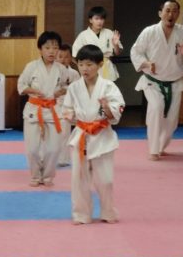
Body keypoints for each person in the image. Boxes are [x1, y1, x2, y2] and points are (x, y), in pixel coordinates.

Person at [130, 0, 183, 160]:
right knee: (156, 108)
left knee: (171, 122)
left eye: (175, 11)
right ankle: (153, 150)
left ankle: (161, 146)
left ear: (178, 14)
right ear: (160, 13)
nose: (171, 14)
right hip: (152, 81)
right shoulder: (149, 32)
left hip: (174, 82)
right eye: (167, 10)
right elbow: (136, 52)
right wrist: (146, 63)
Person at [63, 44, 125, 224]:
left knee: (105, 180)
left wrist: (107, 108)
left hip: (102, 135)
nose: (85, 68)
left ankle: (108, 211)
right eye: (81, 64)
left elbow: (116, 111)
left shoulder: (108, 86)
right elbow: (67, 109)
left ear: (100, 65)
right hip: (81, 135)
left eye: (89, 64)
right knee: (79, 179)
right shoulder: (74, 87)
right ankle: (81, 214)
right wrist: (70, 116)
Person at [17, 31, 70, 187]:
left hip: (53, 110)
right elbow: (21, 85)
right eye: (47, 48)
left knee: (54, 149)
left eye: (55, 48)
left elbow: (66, 86)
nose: (51, 51)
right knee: (32, 149)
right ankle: (35, 176)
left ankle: (47, 176)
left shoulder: (61, 69)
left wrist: (62, 91)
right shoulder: (31, 67)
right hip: (34, 109)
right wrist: (32, 90)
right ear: (40, 49)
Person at [71, 6, 122, 81]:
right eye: (96, 19)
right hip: (90, 67)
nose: (99, 21)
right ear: (91, 20)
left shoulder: (109, 33)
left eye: (102, 19)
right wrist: (84, 66)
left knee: (107, 87)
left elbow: (117, 53)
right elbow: (74, 55)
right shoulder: (83, 35)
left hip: (106, 66)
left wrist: (115, 44)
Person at [57, 43, 81, 167]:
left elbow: (78, 91)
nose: (63, 59)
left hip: (68, 106)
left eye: (66, 56)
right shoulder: (51, 72)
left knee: (65, 132)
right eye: (60, 56)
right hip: (53, 105)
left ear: (71, 58)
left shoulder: (74, 74)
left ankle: (63, 159)